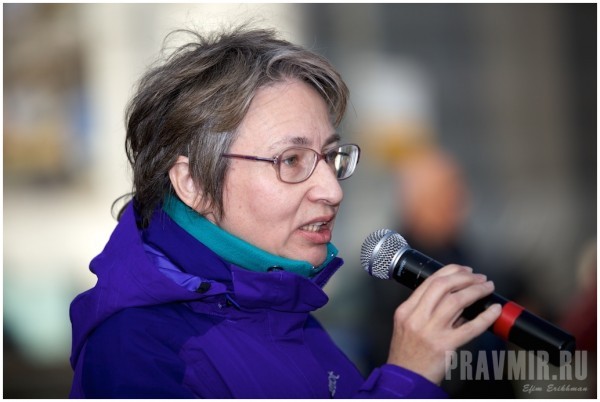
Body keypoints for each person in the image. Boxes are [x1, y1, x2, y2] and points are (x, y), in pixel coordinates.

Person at [69, 26, 501, 398]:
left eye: (329, 156)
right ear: (193, 183)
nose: (332, 190)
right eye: (291, 160)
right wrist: (405, 380)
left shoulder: (286, 309)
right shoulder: (137, 348)